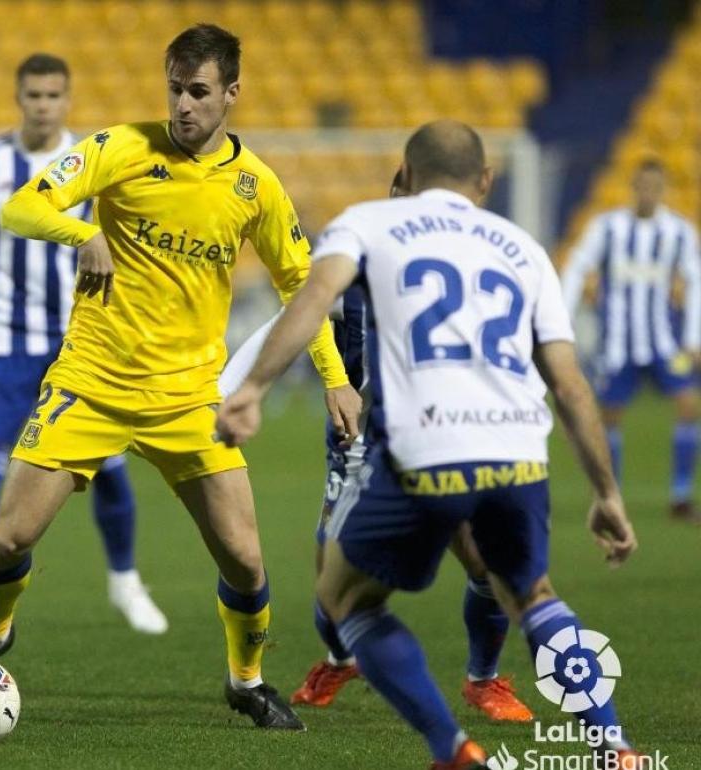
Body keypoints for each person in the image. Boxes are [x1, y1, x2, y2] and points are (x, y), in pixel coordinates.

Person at [0, 24, 362, 729]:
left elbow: (300, 286)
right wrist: (84, 232)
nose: (183, 106)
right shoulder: (121, 147)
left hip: (189, 397)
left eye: (198, 92)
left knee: (245, 561)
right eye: (174, 90)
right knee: (7, 542)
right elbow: (22, 205)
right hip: (91, 381)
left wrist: (335, 379)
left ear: (231, 94)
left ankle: (246, 682)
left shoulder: (257, 187)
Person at [218, 120, 641, 769]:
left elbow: (306, 301)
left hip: (424, 449)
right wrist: (606, 493)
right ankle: (612, 746)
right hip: (517, 453)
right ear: (487, 181)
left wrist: (248, 390)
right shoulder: (522, 248)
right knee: (535, 597)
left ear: (408, 178)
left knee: (347, 598)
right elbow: (571, 386)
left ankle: (450, 748)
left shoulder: (367, 224)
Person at [218, 171, 533, 723]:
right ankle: (341, 658)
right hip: (361, 448)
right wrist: (232, 391)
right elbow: (284, 323)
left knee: (485, 563)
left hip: (438, 440)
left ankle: (483, 679)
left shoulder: (458, 275)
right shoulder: (353, 274)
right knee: (331, 584)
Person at [0, 53, 166, 635]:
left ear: (68, 100)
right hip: (4, 340)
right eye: (34, 95)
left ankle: (125, 580)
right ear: (19, 98)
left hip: (81, 338)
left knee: (110, 467)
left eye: (53, 95)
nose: (43, 105)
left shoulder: (92, 162)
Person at [562, 158, 701, 523]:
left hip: (663, 341)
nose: (648, 193)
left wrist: (693, 336)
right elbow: (578, 266)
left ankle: (681, 497)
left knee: (688, 404)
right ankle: (611, 496)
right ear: (633, 187)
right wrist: (563, 318)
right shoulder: (607, 228)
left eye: (655, 187)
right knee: (609, 418)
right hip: (618, 343)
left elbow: (696, 279)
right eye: (642, 186)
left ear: (663, 190)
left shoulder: (679, 232)